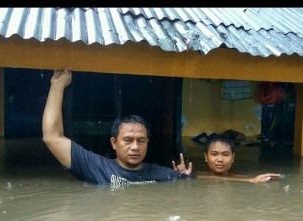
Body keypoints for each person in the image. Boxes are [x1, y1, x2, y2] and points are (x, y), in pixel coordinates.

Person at [42, 67, 192, 186]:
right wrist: (57, 85)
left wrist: (184, 179)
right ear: (114, 143)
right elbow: (52, 137)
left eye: (141, 140)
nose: (135, 147)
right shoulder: (96, 167)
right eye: (128, 140)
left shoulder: (165, 175)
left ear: (147, 143)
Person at [197, 135, 281, 183]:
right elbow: (207, 177)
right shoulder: (196, 174)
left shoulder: (237, 175)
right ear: (205, 157)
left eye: (225, 155)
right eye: (214, 154)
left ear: (233, 157)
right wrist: (250, 180)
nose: (220, 159)